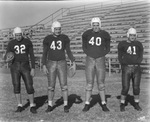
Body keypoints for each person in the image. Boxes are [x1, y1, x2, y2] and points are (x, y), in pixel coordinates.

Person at [42, 21, 76, 113]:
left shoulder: (64, 38)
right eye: (56, 29)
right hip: (51, 63)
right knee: (51, 86)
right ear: (52, 29)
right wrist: (44, 65)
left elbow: (68, 51)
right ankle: (49, 105)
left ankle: (65, 105)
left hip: (62, 62)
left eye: (59, 29)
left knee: (64, 85)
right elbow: (45, 53)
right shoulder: (47, 39)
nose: (58, 31)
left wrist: (73, 61)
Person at [4, 27, 37, 113]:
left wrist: (33, 68)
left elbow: (32, 55)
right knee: (16, 85)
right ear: (14, 35)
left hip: (25, 65)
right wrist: (7, 59)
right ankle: (19, 105)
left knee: (29, 85)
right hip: (14, 66)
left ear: (22, 34)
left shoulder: (27, 42)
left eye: (20, 35)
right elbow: (6, 55)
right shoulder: (11, 43)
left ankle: (32, 105)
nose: (18, 37)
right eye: (17, 35)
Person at [82, 17, 111, 112]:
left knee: (101, 83)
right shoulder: (86, 34)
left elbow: (108, 47)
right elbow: (84, 46)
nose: (95, 27)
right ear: (91, 25)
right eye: (94, 25)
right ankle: (87, 103)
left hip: (100, 59)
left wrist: (102, 54)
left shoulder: (105, 34)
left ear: (100, 25)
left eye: (97, 25)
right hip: (90, 59)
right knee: (89, 83)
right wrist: (89, 53)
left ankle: (103, 103)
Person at [118, 27, 143, 112]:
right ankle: (122, 104)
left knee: (136, 87)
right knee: (125, 87)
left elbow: (141, 55)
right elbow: (119, 56)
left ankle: (136, 104)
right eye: (131, 35)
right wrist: (124, 64)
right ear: (128, 35)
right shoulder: (122, 44)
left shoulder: (139, 44)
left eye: (134, 35)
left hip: (136, 68)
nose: (132, 36)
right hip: (127, 67)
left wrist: (137, 62)